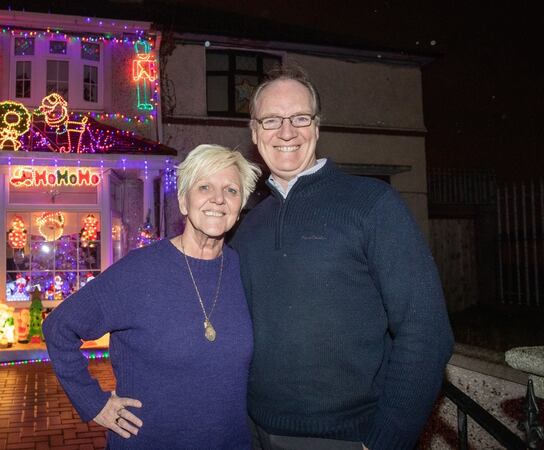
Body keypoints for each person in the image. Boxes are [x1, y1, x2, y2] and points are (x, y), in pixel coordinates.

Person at [231, 65, 454, 450]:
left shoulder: (372, 205)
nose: (286, 132)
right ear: (254, 132)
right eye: (271, 120)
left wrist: (387, 440)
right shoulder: (247, 228)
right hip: (254, 434)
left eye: (300, 117)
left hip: (349, 439)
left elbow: (427, 333)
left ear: (317, 126)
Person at [44, 144, 261, 449]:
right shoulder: (139, 271)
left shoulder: (245, 271)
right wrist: (94, 403)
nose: (218, 199)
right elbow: (58, 327)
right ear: (184, 202)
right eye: (204, 187)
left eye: (231, 190)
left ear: (239, 208)